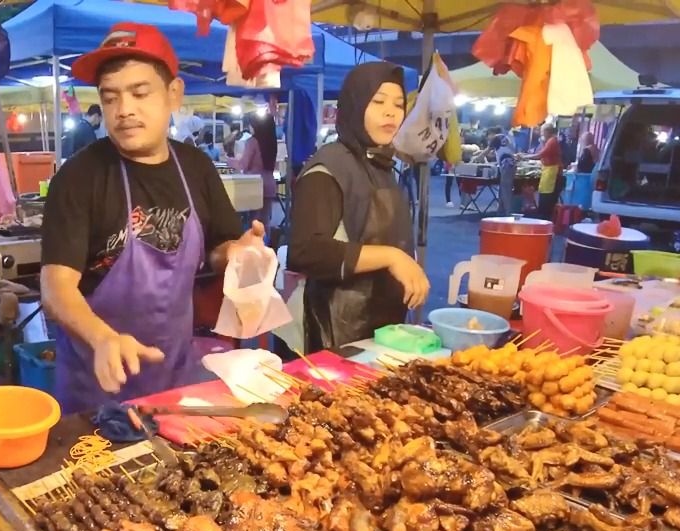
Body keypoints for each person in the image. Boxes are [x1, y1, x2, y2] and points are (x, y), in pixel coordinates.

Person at [40, 22, 265, 413]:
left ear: (173, 94)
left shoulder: (195, 167)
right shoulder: (78, 178)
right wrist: (103, 338)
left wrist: (237, 252)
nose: (124, 110)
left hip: (174, 383)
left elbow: (215, 250)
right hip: (96, 388)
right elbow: (56, 289)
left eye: (139, 93)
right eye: (110, 98)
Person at [286, 62, 429, 351]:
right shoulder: (328, 168)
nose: (391, 111)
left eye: (399, 104)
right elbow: (305, 252)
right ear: (354, 105)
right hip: (335, 334)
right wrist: (392, 257)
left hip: (384, 328)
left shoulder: (383, 166)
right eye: (378, 102)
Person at [230, 112, 277, 227]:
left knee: (254, 221)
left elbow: (243, 165)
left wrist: (229, 161)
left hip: (254, 185)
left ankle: (255, 244)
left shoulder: (252, 142)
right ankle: (266, 243)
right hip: (270, 183)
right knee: (265, 221)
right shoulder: (272, 143)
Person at [521, 123, 564, 219]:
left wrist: (524, 157)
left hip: (552, 172)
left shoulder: (552, 141)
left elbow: (541, 154)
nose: (541, 133)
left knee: (547, 197)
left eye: (542, 131)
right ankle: (543, 214)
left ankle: (545, 216)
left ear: (548, 131)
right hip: (548, 170)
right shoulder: (549, 141)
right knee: (544, 194)